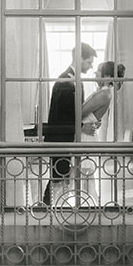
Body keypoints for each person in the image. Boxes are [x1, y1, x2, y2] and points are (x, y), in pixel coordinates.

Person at [41, 43, 96, 204]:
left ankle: (52, 209)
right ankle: (48, 210)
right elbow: (62, 117)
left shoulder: (71, 80)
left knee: (61, 177)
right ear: (79, 59)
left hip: (66, 138)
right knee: (59, 177)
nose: (90, 66)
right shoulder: (65, 81)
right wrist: (81, 127)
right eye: (89, 62)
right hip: (61, 139)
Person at [81, 61, 126, 140]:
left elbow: (78, 114)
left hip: (85, 136)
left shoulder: (103, 94)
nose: (95, 72)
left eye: (99, 70)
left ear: (107, 77)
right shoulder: (103, 92)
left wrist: (81, 126)